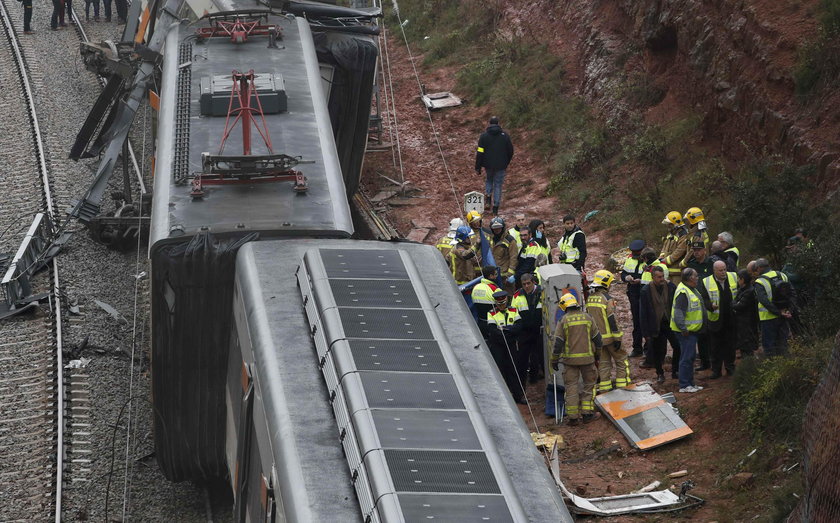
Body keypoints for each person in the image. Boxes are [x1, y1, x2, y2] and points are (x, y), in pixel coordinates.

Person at [550, 293, 602, 425]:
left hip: (570, 361)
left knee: (571, 387)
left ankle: (573, 418)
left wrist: (554, 360)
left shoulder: (564, 321)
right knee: (589, 386)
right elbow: (598, 339)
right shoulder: (588, 318)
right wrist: (598, 355)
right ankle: (587, 415)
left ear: (564, 306)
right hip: (588, 360)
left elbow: (558, 343)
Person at [588, 270, 627, 393]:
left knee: (604, 364)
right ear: (606, 283)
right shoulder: (608, 299)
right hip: (610, 338)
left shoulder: (590, 299)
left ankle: (605, 389)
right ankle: (623, 386)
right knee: (621, 360)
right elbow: (612, 320)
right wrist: (617, 338)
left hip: (598, 340)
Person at [670, 268, 707, 393]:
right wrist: (683, 328)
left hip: (692, 331)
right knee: (687, 357)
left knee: (690, 357)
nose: (697, 278)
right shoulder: (683, 292)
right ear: (690, 278)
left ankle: (690, 383)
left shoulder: (691, 289)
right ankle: (684, 385)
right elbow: (678, 312)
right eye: (696, 276)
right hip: (686, 332)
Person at [700, 261, 738, 378]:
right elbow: (704, 299)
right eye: (720, 270)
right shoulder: (706, 282)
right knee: (715, 347)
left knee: (730, 346)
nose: (723, 272)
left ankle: (730, 368)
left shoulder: (733, 276)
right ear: (714, 270)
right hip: (715, 320)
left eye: (725, 269)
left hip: (731, 318)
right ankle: (716, 370)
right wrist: (710, 307)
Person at [486, 290, 525, 404]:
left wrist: (506, 330)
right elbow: (493, 330)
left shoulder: (513, 310)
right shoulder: (491, 313)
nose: (501, 306)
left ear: (506, 301)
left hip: (511, 344)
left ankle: (518, 396)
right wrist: (508, 332)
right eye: (499, 304)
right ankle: (502, 398)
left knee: (513, 369)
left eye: (503, 303)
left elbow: (519, 326)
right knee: (500, 370)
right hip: (498, 346)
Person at [640, 265, 677, 382]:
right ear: (653, 277)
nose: (661, 279)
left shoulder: (670, 287)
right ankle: (659, 373)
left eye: (662, 276)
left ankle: (675, 371)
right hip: (655, 325)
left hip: (670, 323)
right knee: (658, 351)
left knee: (677, 346)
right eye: (659, 277)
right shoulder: (646, 291)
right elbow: (643, 313)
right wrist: (646, 333)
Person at [474, 116, 514, 215]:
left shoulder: (484, 136)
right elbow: (510, 151)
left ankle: (488, 197)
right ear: (498, 123)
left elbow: (480, 152)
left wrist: (478, 166)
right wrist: (506, 162)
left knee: (489, 180)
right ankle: (495, 208)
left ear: (489, 123)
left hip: (488, 164)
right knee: (498, 185)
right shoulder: (505, 136)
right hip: (501, 165)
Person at [754, 258, 792, 357]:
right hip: (784, 316)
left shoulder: (760, 281)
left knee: (769, 347)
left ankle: (772, 368)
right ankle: (786, 366)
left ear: (759, 268)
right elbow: (792, 293)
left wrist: (777, 312)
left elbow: (764, 301)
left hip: (768, 318)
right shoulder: (782, 275)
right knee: (783, 343)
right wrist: (788, 310)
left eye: (756, 269)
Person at [511, 273, 544, 384]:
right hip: (524, 332)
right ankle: (522, 384)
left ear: (533, 282)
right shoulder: (517, 296)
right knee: (522, 359)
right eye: (524, 284)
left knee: (540, 357)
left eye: (528, 283)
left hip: (539, 331)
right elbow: (513, 314)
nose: (526, 286)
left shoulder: (542, 292)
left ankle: (536, 379)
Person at [622, 240, 646, 359]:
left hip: (646, 294)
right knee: (636, 321)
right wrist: (627, 277)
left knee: (647, 322)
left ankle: (648, 349)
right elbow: (623, 274)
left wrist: (641, 281)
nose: (636, 256)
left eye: (638, 253)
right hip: (633, 293)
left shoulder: (649, 260)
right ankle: (637, 348)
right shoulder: (629, 259)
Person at [732, 269, 759, 359]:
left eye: (738, 279)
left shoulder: (749, 291)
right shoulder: (742, 289)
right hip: (742, 322)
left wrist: (733, 304)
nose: (737, 281)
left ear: (743, 280)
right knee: (743, 343)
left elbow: (739, 305)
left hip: (747, 322)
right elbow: (736, 301)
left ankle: (748, 364)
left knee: (747, 344)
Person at [658, 211, 689, 284]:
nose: (668, 226)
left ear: (675, 224)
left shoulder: (683, 236)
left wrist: (665, 261)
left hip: (677, 273)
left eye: (670, 225)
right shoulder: (670, 234)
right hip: (667, 271)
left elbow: (678, 252)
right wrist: (660, 257)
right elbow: (664, 248)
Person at [488, 217, 518, 290]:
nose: (497, 230)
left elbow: (514, 258)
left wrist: (509, 275)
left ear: (503, 227)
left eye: (499, 228)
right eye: (494, 228)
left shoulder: (510, 240)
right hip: (492, 276)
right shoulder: (489, 238)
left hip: (504, 277)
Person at [471, 266, 500, 340]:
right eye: (495, 274)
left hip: (480, 322)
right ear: (490, 276)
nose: (496, 276)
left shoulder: (476, 287)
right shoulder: (495, 289)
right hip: (493, 324)